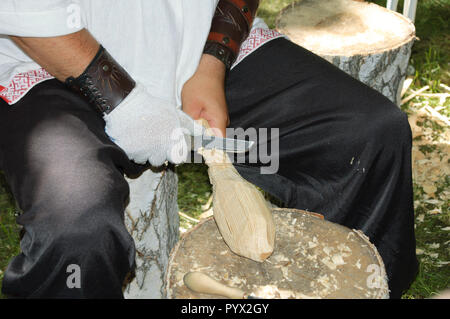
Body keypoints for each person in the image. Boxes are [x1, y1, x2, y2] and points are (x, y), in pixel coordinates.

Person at [0, 0, 418, 298]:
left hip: (196, 50)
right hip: (56, 69)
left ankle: (353, 289)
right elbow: (28, 13)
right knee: (77, 229)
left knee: (367, 134)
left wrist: (213, 63)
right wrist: (128, 106)